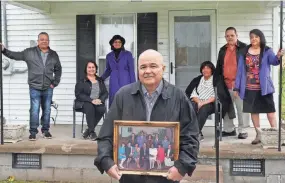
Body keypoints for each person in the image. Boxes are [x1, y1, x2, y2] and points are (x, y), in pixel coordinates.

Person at [94, 49, 199, 183]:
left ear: (163, 68)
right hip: (130, 177)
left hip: (166, 177)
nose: (147, 71)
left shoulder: (178, 97)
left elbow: (191, 136)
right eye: (143, 67)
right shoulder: (123, 96)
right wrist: (106, 162)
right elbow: (106, 134)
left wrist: (182, 167)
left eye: (153, 66)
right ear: (138, 70)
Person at [0, 32, 62, 141]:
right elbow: (15, 55)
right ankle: (33, 132)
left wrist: (55, 83)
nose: (44, 41)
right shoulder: (29, 52)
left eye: (46, 39)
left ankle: (45, 130)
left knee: (47, 110)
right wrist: (4, 50)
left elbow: (58, 69)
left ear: (49, 41)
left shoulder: (53, 54)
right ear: (38, 41)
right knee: (34, 110)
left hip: (48, 87)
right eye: (42, 39)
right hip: (34, 86)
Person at [234, 29, 284, 144]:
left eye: (256, 37)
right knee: (254, 112)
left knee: (270, 112)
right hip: (249, 88)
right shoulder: (243, 52)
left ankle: (276, 135)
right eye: (252, 37)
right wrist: (237, 87)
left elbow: (275, 61)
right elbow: (240, 71)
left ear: (260, 38)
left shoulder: (267, 50)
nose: (254, 39)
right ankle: (258, 135)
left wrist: (278, 55)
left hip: (265, 88)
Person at [215, 27, 250, 139]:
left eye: (232, 35)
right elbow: (219, 67)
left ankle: (242, 130)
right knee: (226, 107)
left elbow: (248, 67)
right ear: (225, 37)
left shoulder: (244, 47)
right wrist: (216, 83)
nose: (229, 37)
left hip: (240, 84)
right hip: (225, 84)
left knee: (241, 108)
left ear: (236, 35)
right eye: (227, 36)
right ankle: (229, 129)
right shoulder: (222, 50)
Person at [74, 61, 108, 140]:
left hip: (97, 102)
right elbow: (78, 94)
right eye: (89, 67)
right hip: (84, 102)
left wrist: (100, 100)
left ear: (96, 69)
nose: (91, 69)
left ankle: (88, 131)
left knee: (102, 108)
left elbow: (105, 93)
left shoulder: (100, 80)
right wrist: (91, 100)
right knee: (90, 107)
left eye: (93, 67)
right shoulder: (82, 81)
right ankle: (92, 132)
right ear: (86, 69)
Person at [101, 35, 136, 107]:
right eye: (115, 42)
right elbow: (108, 69)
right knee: (114, 101)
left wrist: (134, 85)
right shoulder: (109, 56)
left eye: (119, 42)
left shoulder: (128, 54)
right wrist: (101, 78)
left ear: (122, 43)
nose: (117, 43)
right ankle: (113, 118)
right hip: (114, 82)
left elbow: (131, 70)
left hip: (126, 81)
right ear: (112, 44)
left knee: (126, 101)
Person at [185, 61, 216, 141]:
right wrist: (199, 102)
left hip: (211, 103)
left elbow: (217, 96)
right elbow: (192, 93)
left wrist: (203, 103)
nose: (205, 70)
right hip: (198, 101)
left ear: (212, 70)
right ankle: (196, 132)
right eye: (203, 68)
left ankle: (195, 133)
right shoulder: (198, 79)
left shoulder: (216, 80)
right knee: (191, 107)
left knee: (204, 109)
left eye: (208, 68)